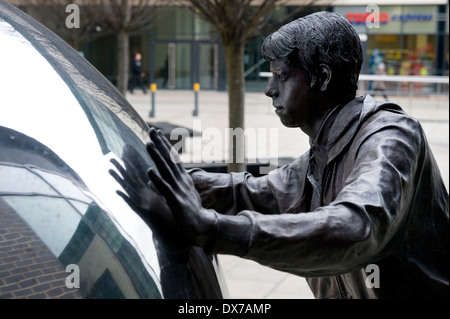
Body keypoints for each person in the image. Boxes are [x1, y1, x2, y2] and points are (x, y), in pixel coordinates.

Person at [111, 11, 448, 299]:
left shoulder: (390, 137)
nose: (271, 89)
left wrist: (213, 230)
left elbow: (358, 227)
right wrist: (181, 181)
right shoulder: (323, 154)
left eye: (282, 76)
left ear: (322, 77)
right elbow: (257, 191)